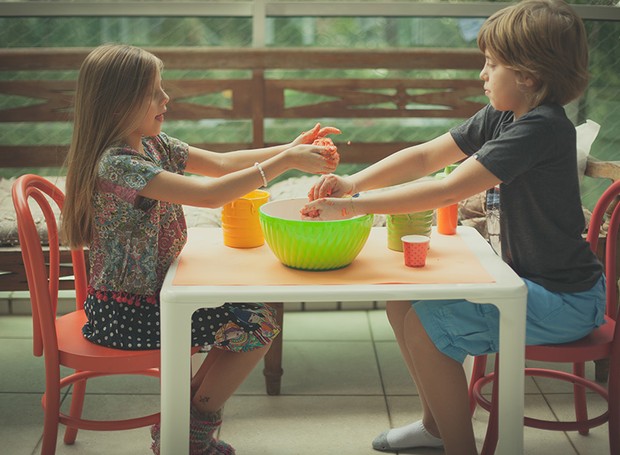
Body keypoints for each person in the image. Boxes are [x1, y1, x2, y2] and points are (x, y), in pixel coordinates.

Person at [300, 1, 606, 453]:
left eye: (491, 64)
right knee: (403, 303)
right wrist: (352, 183)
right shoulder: (506, 115)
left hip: (565, 301)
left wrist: (355, 206)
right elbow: (427, 157)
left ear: (528, 75)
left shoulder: (541, 128)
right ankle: (435, 427)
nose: (482, 74)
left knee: (426, 325)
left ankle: (456, 446)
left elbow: (447, 189)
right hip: (526, 283)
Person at [60, 44, 340, 455]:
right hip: (125, 311)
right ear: (120, 101)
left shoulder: (152, 145)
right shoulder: (118, 164)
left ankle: (182, 428)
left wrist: (290, 150)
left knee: (254, 317)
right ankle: (188, 433)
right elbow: (209, 195)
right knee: (257, 325)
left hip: (153, 297)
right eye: (155, 92)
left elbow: (224, 165)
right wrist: (286, 162)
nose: (166, 99)